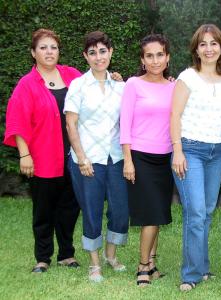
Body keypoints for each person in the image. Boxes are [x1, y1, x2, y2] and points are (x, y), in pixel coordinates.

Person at [4, 29, 81, 273]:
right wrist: (24, 154)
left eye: (53, 47)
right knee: (44, 211)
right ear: (33, 53)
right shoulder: (27, 84)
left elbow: (97, 87)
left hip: (74, 157)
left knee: (70, 208)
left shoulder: (72, 76)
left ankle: (66, 254)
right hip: (43, 157)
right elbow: (17, 120)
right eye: (43, 47)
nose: (49, 52)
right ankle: (43, 258)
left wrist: (115, 79)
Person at [170, 24, 221, 291]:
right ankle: (191, 275)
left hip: (217, 152)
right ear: (196, 49)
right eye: (203, 44)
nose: (209, 49)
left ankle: (203, 266)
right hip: (190, 150)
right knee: (195, 212)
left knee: (207, 212)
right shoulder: (187, 77)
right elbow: (174, 115)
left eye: (214, 43)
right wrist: (177, 151)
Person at [65, 31, 129, 283]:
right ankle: (94, 264)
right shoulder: (78, 85)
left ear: (111, 53)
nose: (98, 57)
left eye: (103, 51)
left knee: (120, 210)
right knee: (91, 211)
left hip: (115, 157)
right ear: (85, 56)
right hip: (87, 159)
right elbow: (71, 124)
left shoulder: (121, 86)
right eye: (92, 52)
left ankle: (110, 255)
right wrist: (81, 157)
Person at [120, 34, 174, 287]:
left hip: (166, 158)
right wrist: (128, 160)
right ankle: (142, 266)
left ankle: (152, 263)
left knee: (160, 213)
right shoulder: (133, 84)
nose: (155, 60)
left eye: (159, 54)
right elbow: (125, 125)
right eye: (149, 55)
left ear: (167, 57)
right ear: (142, 59)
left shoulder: (175, 86)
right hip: (140, 157)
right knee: (151, 215)